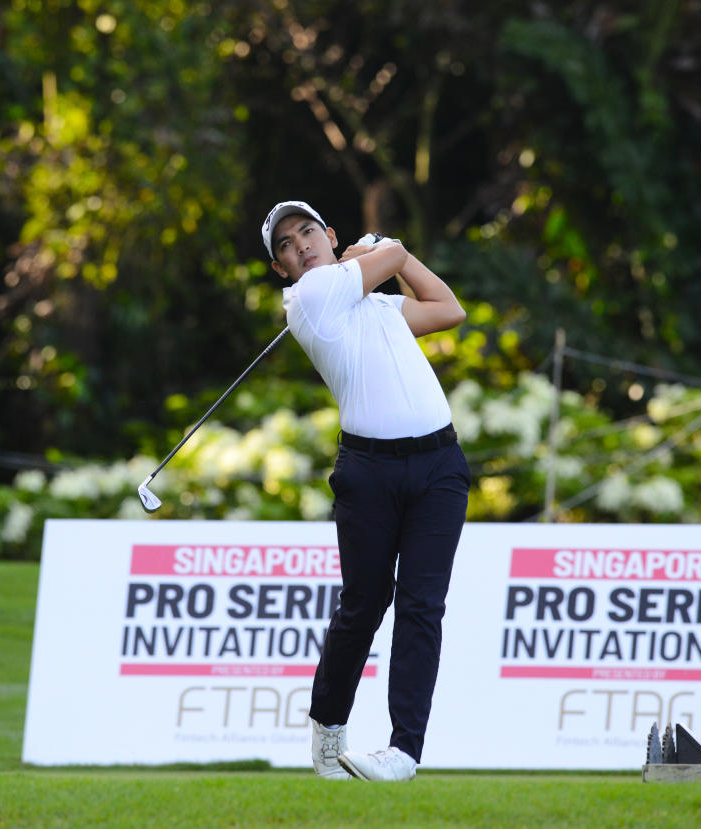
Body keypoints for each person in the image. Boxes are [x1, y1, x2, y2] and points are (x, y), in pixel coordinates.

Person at [260, 200, 471, 782]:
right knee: (364, 604)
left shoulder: (375, 306)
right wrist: (380, 248)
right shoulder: (307, 300)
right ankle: (329, 727)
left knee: (422, 606)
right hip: (368, 474)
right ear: (282, 268)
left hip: (439, 468)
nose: (300, 244)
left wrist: (379, 255)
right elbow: (397, 254)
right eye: (286, 245)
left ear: (329, 235)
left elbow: (448, 309)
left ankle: (403, 751)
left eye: (308, 232)